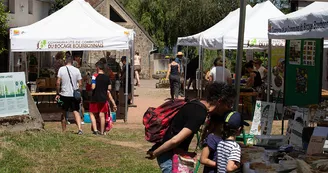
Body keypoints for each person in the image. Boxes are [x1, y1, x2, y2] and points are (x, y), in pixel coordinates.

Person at [146, 82, 237, 173]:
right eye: (228, 104)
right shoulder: (199, 113)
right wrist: (155, 153)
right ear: (220, 101)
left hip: (172, 153)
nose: (229, 108)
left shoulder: (196, 104)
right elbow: (176, 140)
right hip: (169, 156)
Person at [55, 56, 83, 134]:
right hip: (74, 94)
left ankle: (64, 130)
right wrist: (79, 92)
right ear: (72, 61)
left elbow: (58, 82)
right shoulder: (77, 70)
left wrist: (57, 92)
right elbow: (80, 83)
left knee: (64, 112)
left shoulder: (61, 69)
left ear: (65, 61)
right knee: (76, 111)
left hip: (64, 93)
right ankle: (80, 129)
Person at [89, 61, 116, 135]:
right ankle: (102, 131)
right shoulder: (107, 78)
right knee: (102, 115)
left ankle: (95, 130)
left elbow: (93, 87)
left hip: (95, 98)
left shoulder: (95, 76)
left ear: (97, 68)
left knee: (92, 113)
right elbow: (109, 88)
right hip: (103, 98)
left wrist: (93, 82)